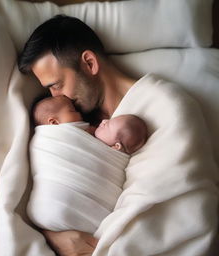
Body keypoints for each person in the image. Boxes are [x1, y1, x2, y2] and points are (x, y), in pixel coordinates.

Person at [18, 14, 139, 256]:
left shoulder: (163, 106)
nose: (55, 97)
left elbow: (155, 207)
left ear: (90, 63)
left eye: (57, 84)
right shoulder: (77, 123)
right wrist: (52, 236)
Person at [32, 95, 147, 154]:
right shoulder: (51, 141)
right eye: (73, 111)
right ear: (54, 123)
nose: (80, 114)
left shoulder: (91, 131)